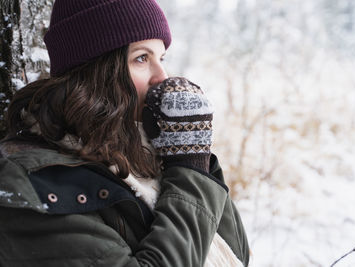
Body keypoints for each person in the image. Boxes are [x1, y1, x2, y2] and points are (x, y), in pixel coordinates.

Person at [0, 0, 250, 266]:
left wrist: (195, 159)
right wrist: (189, 169)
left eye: (161, 58)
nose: (162, 77)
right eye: (141, 58)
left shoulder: (142, 152)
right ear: (96, 71)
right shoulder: (33, 182)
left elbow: (236, 253)